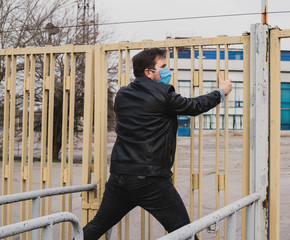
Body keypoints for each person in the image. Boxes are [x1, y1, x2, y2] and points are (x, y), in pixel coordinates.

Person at [83, 48, 232, 239]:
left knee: (98, 225)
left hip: (120, 176)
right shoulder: (163, 95)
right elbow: (194, 106)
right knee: (184, 232)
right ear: (148, 72)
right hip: (150, 178)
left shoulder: (122, 94)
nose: (167, 71)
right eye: (162, 67)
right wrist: (221, 91)